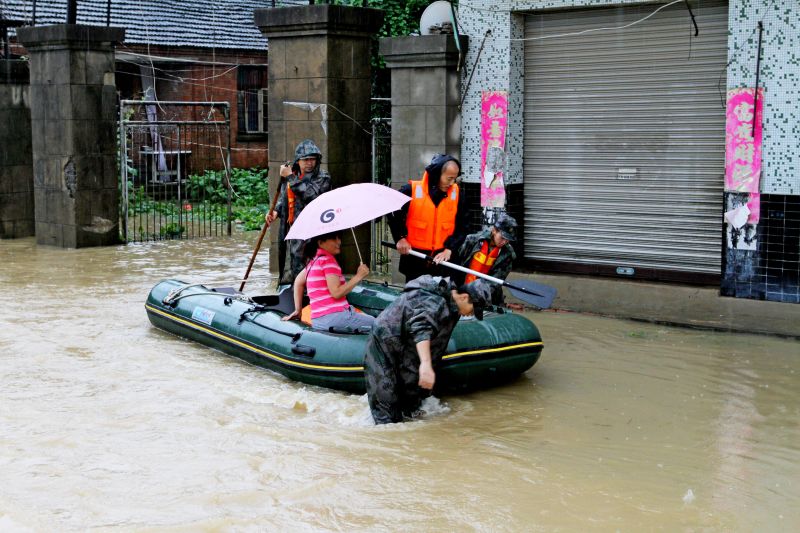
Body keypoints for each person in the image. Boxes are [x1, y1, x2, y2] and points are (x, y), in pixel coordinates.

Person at [363, 276, 493, 425]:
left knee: (411, 406)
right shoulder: (433, 299)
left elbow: (437, 340)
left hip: (408, 347)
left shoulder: (455, 308)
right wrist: (425, 364)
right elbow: (421, 328)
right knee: (386, 413)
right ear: (464, 297)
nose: (472, 314)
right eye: (474, 309)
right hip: (384, 342)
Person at [388, 154, 470, 282]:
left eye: (455, 178)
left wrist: (449, 250)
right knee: (413, 298)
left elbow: (463, 226)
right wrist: (400, 238)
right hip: (415, 259)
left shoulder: (457, 194)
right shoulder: (411, 190)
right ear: (437, 175)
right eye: (449, 178)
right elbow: (392, 211)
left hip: (443, 260)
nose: (452, 183)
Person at [266, 139, 332, 284]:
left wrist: (290, 177)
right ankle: (294, 296)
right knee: (292, 265)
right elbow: (285, 197)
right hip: (292, 229)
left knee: (310, 266)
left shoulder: (323, 177)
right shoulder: (293, 175)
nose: (310, 163)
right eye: (306, 159)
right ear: (298, 161)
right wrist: (276, 211)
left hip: (313, 231)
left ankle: (310, 296)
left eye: (312, 159)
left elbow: (311, 195)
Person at [282, 231, 374, 332]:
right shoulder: (328, 261)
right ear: (320, 242)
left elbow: (298, 282)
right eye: (334, 239)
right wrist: (358, 276)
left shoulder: (313, 261)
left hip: (318, 320)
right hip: (337, 317)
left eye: (339, 238)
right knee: (380, 326)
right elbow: (336, 293)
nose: (339, 242)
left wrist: (298, 310)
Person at [455, 214, 518, 305]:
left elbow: (495, 282)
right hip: (461, 291)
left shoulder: (507, 254)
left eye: (507, 240)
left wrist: (477, 295)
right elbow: (458, 263)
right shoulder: (472, 240)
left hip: (486, 297)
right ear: (494, 231)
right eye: (502, 238)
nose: (504, 242)